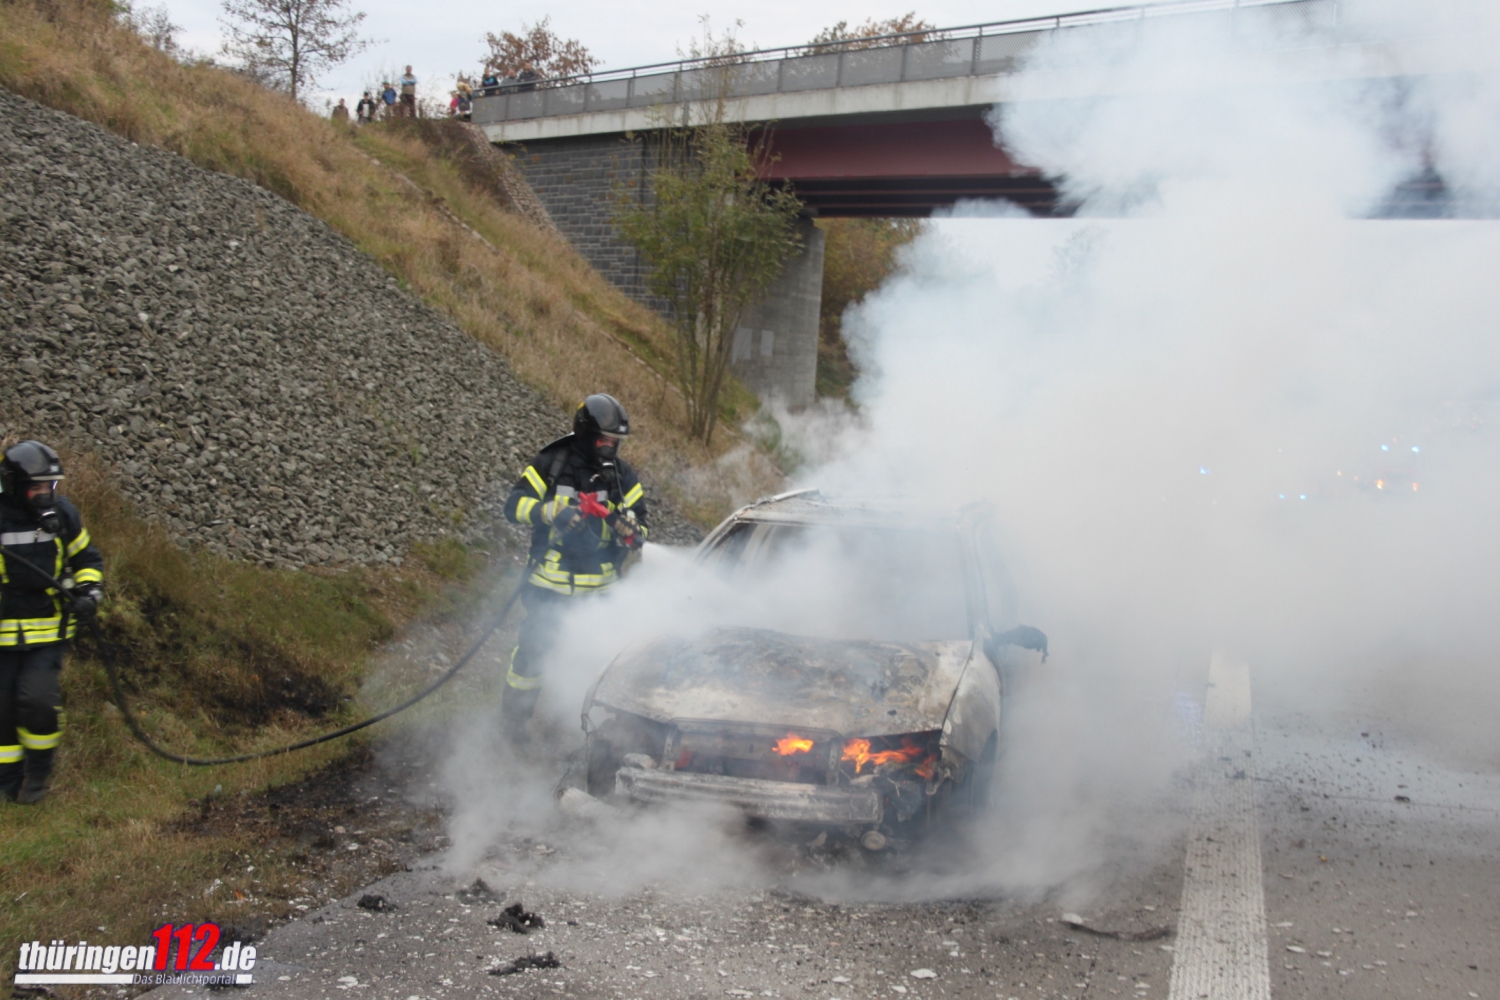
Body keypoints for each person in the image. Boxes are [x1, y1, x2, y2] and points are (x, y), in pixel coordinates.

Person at [501, 395, 647, 729]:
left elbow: (642, 528)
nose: (610, 447)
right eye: (604, 440)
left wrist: (631, 529)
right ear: (585, 434)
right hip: (548, 586)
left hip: (601, 593)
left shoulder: (623, 477)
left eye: (615, 441)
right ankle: (512, 728)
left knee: (597, 662)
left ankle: (581, 730)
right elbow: (513, 506)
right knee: (531, 655)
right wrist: (550, 511)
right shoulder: (550, 464)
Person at [0, 441, 104, 805]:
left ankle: (39, 774)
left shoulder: (63, 515)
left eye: (50, 485)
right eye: (37, 487)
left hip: (47, 633)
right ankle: (8, 783)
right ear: (14, 486)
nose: (45, 493)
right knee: (3, 711)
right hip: (2, 638)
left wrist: (89, 595)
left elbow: (87, 560)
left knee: (38, 700)